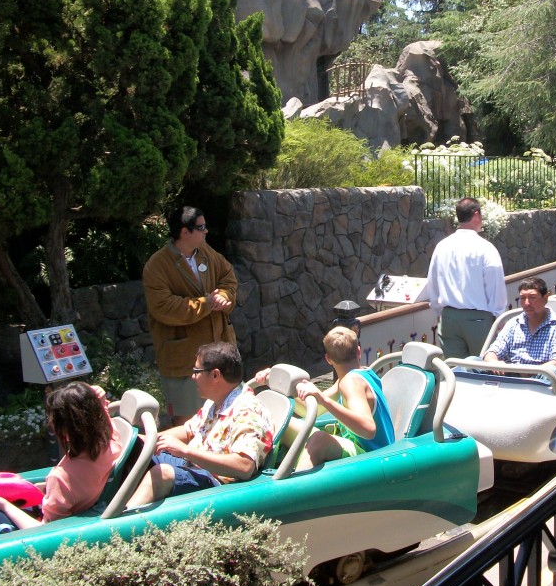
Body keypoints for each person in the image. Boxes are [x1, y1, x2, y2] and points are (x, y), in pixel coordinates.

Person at [0, 383, 123, 542]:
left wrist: (3, 504)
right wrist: (93, 394)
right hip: (78, 504)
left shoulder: (62, 478)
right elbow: (98, 403)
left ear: (66, 429)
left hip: (41, 535)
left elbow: (46, 533)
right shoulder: (113, 439)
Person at [126, 342, 273, 508]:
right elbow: (188, 430)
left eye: (197, 372)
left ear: (215, 375)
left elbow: (244, 466)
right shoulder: (216, 401)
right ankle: (108, 505)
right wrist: (149, 439)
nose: (192, 377)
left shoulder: (247, 412)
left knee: (162, 475)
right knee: (134, 446)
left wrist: (186, 451)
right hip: (194, 466)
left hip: (220, 484)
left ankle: (117, 528)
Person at [143, 205, 238, 425]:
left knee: (228, 412)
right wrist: (206, 303)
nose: (206, 232)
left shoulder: (207, 253)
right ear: (185, 232)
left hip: (220, 352)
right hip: (184, 359)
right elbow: (164, 307)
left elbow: (228, 277)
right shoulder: (156, 265)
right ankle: (187, 459)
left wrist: (225, 295)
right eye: (202, 227)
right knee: (188, 422)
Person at [255, 327, 395, 469]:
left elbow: (368, 429)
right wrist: (271, 380)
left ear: (328, 359)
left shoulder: (350, 382)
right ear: (358, 351)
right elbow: (309, 409)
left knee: (319, 441)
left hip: (374, 458)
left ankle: (292, 488)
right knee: (285, 423)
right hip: (368, 452)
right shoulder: (354, 376)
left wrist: (324, 399)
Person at [424, 197, 508, 358]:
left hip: (449, 318)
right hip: (478, 319)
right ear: (476, 214)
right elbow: (495, 285)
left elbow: (432, 283)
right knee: (484, 370)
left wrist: (440, 310)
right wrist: (498, 315)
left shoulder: (442, 246)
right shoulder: (485, 248)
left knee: (454, 372)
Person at [484, 278, 556, 377]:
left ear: (545, 297)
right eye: (522, 298)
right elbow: (493, 350)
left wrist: (529, 372)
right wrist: (493, 362)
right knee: (471, 362)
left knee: (552, 371)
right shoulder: (513, 323)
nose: (527, 303)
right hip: (510, 374)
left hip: (539, 377)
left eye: (532, 297)